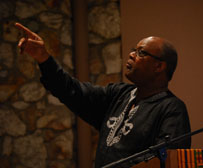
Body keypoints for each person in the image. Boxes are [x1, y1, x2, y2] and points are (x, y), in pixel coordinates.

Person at [15, 22, 191, 168]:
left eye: (140, 53)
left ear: (159, 66)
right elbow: (73, 92)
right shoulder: (119, 94)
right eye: (133, 50)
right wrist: (43, 58)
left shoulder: (171, 109)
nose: (131, 55)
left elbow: (166, 161)